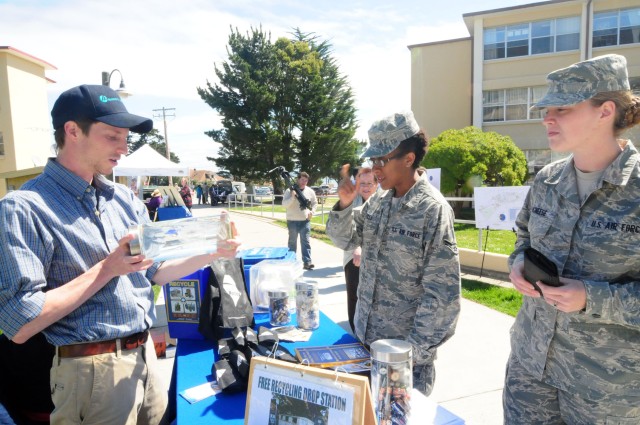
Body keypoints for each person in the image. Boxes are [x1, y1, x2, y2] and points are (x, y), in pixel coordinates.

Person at [0, 84, 241, 425]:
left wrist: (212, 252)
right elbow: (20, 323)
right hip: (90, 373)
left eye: (126, 138)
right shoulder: (24, 208)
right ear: (72, 131)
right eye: (113, 136)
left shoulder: (124, 200)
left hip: (144, 358)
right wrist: (108, 269)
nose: (124, 149)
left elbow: (155, 271)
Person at [504, 54, 640, 423]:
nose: (547, 116)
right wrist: (517, 263)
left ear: (604, 111)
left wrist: (591, 298)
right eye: (547, 107)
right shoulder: (547, 181)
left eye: (562, 107)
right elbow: (522, 238)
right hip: (530, 369)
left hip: (606, 391)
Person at [327, 111, 460, 395]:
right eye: (372, 160)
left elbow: (442, 299)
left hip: (403, 361)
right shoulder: (379, 201)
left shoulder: (432, 210)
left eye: (382, 160)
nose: (375, 168)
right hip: (364, 344)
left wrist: (407, 358)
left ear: (409, 159)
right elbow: (345, 239)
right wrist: (344, 206)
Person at [342, 167, 378, 332]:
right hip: (354, 258)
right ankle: (355, 332)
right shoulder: (351, 200)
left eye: (370, 183)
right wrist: (357, 247)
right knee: (354, 296)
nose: (366, 187)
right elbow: (347, 228)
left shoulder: (384, 201)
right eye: (362, 183)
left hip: (378, 260)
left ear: (377, 184)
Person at [282, 172, 318, 270]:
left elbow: (315, 203)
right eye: (302, 180)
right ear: (298, 179)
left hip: (305, 221)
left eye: (306, 180)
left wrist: (312, 212)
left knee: (306, 242)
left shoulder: (310, 191)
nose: (304, 182)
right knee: (292, 243)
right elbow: (284, 205)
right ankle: (291, 262)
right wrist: (293, 198)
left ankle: (307, 262)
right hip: (292, 221)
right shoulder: (289, 191)